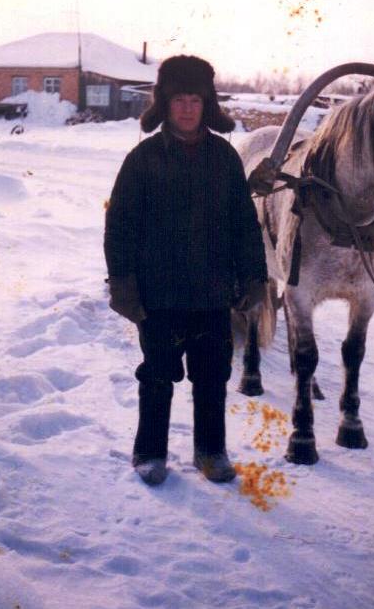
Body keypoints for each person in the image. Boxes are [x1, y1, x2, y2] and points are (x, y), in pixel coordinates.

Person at [104, 55, 268, 486]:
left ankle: (210, 451)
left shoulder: (225, 159)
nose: (188, 108)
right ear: (165, 103)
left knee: (212, 376)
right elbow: (118, 223)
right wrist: (122, 283)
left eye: (196, 99)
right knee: (157, 375)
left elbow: (244, 224)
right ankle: (149, 451)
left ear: (207, 103)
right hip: (158, 296)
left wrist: (254, 276)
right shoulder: (142, 160)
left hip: (213, 294)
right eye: (179, 99)